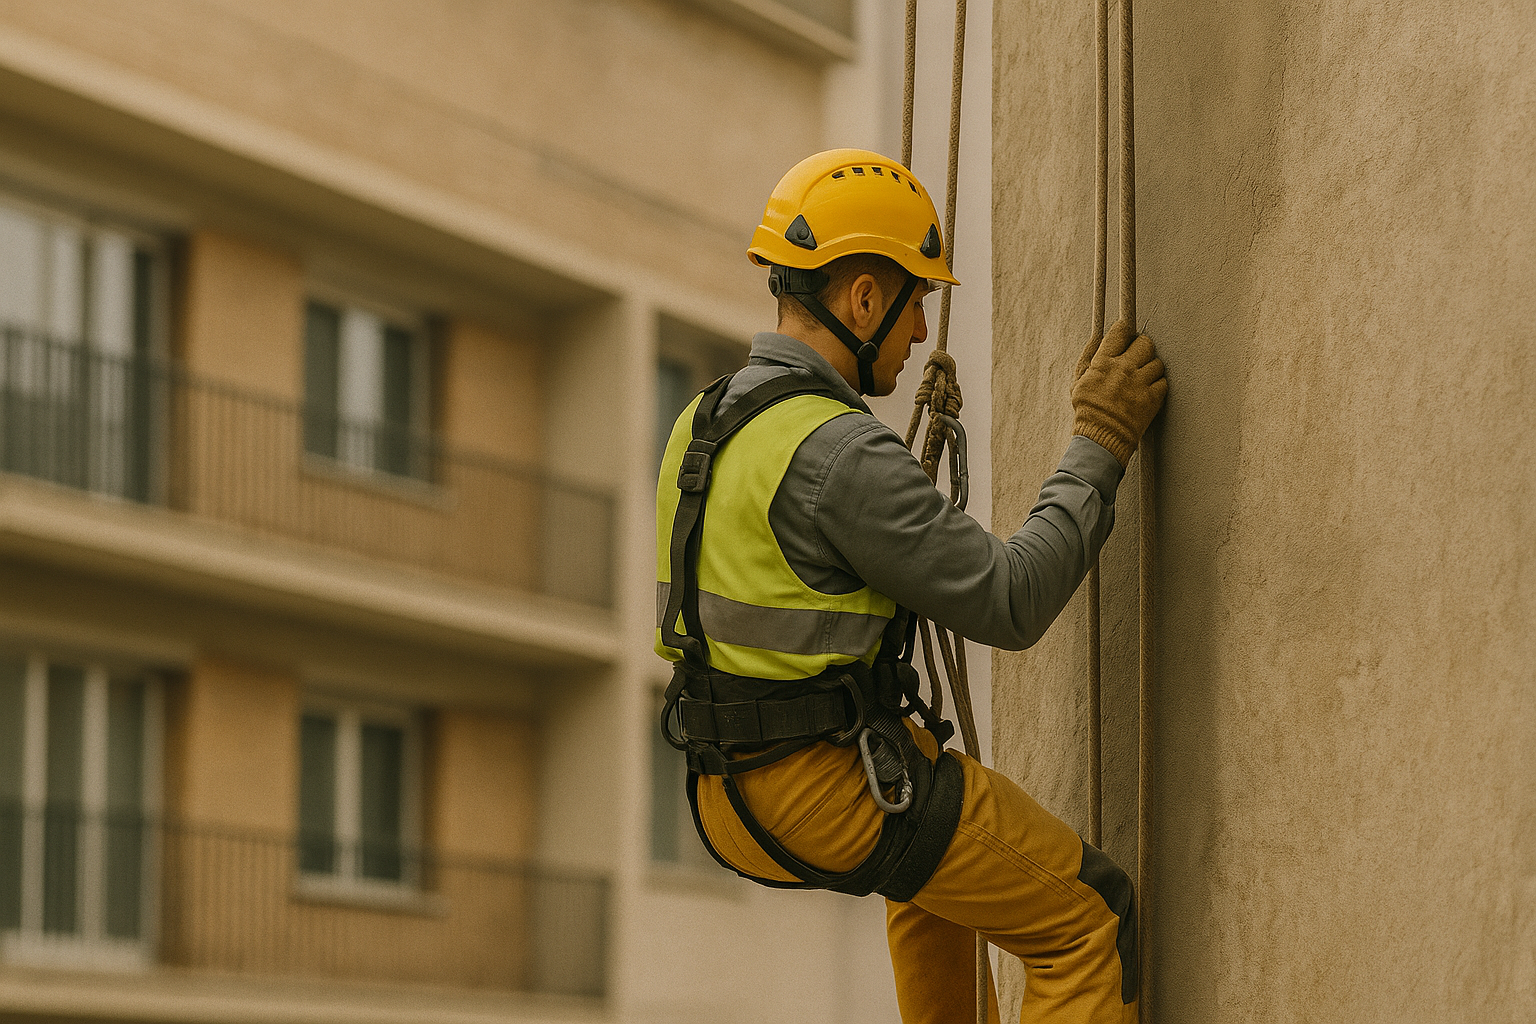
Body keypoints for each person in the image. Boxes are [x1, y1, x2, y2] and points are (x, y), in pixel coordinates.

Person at [655, 149, 1165, 1024]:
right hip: (823, 790)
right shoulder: (838, 452)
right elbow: (1010, 599)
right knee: (1088, 919)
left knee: (938, 889)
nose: (922, 333)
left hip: (724, 792)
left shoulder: (706, 421)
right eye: (916, 302)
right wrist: (1099, 439)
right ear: (862, 299)